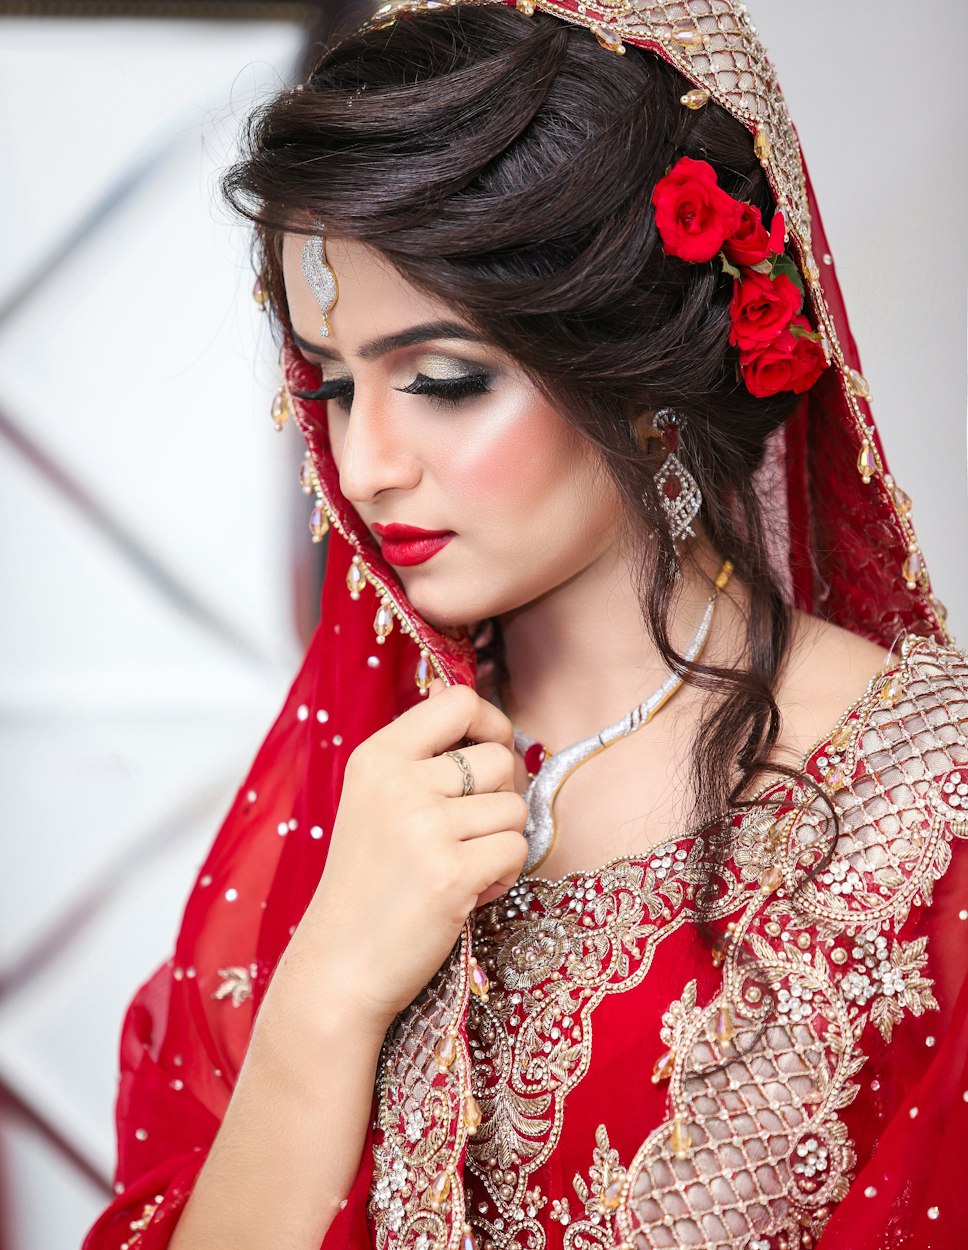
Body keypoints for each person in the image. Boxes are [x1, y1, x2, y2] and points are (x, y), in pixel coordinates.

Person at [83, 2, 968, 1248]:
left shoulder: (931, 814)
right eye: (331, 384)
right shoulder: (365, 788)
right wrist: (326, 995)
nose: (367, 461)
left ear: (645, 367)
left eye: (443, 381)